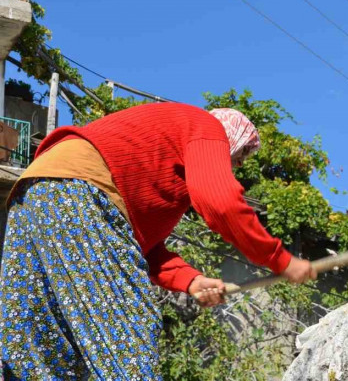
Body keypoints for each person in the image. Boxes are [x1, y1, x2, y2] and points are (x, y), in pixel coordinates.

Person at [0, 103, 315, 380]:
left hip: (34, 196)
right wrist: (281, 260)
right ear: (230, 140)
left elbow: (141, 250)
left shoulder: (165, 179)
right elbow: (221, 202)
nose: (235, 167)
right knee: (128, 337)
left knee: (38, 346)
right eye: (239, 157)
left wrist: (191, 281)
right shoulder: (205, 127)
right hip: (79, 191)